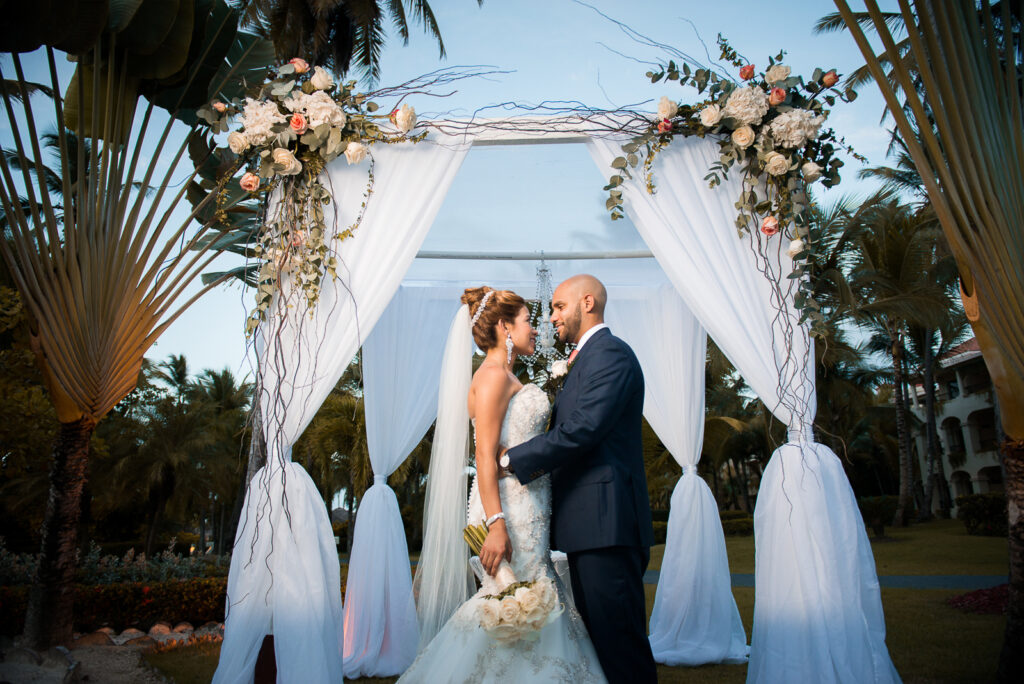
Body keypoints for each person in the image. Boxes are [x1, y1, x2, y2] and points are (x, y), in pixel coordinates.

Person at [401, 286, 605, 683]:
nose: (537, 328)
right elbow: (483, 456)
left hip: (526, 507)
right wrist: (495, 524)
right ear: (504, 326)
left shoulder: (507, 374)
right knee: (514, 602)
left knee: (528, 600)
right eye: (528, 320)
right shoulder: (493, 376)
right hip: (507, 513)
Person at [501, 274, 657, 684]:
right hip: (590, 528)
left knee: (621, 649)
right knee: (601, 647)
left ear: (587, 302)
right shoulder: (588, 358)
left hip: (608, 527)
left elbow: (583, 429)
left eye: (558, 306)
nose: (551, 317)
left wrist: (511, 460)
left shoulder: (611, 356)